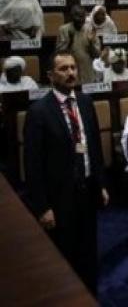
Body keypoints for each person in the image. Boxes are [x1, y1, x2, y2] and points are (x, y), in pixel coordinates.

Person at [23, 50, 109, 294]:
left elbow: (94, 146)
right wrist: (42, 207)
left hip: (87, 191)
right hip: (59, 198)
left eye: (73, 67)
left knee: (88, 252)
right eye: (63, 69)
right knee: (65, 256)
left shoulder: (85, 102)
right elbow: (32, 165)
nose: (71, 73)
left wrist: (101, 184)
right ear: (51, 76)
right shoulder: (38, 112)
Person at [56, 4, 100, 84]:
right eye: (78, 16)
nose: (81, 19)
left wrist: (90, 43)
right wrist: (70, 41)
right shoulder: (63, 30)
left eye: (83, 16)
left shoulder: (90, 29)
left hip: (87, 74)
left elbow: (97, 55)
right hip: (69, 74)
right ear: (71, 17)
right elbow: (60, 55)